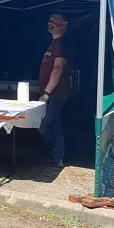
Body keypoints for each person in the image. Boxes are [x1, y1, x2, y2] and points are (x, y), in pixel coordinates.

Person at [37, 12, 73, 167]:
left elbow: (58, 69)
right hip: (52, 93)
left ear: (64, 25)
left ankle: (53, 156)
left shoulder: (63, 43)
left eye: (55, 20)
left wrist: (47, 92)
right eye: (50, 19)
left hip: (56, 93)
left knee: (43, 125)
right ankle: (56, 157)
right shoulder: (54, 42)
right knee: (55, 125)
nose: (50, 22)